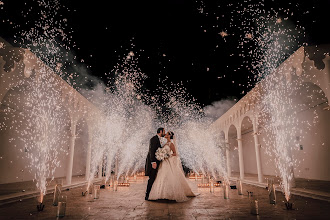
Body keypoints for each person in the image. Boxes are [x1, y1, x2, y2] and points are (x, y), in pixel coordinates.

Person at [148, 131, 198, 202]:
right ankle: (161, 194)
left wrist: (166, 155)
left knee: (167, 176)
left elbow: (175, 153)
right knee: (162, 176)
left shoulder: (171, 144)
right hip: (164, 162)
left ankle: (169, 194)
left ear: (169, 136)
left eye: (167, 133)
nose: (165, 134)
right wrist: (161, 155)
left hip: (167, 161)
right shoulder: (165, 143)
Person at [145, 127, 165, 200]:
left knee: (154, 178)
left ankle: (151, 194)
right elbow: (151, 151)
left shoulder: (158, 139)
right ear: (160, 131)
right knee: (151, 178)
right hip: (153, 163)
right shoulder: (154, 139)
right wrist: (153, 162)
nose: (164, 133)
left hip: (156, 162)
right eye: (163, 131)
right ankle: (147, 195)